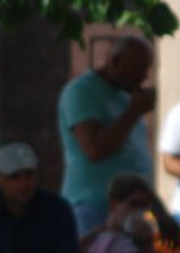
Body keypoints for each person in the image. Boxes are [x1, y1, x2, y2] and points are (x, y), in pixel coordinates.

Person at [57, 34, 156, 236]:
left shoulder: (127, 95)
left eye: (147, 68)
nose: (145, 76)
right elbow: (94, 149)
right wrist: (134, 111)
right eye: (139, 67)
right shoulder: (83, 91)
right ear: (116, 61)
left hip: (132, 210)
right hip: (93, 208)